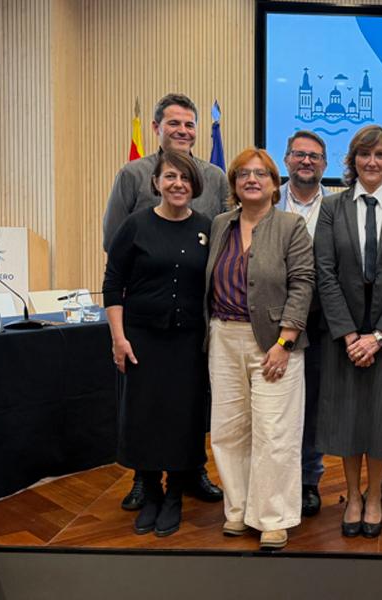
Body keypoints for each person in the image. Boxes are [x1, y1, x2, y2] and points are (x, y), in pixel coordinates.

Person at [103, 93, 226, 510]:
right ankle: (144, 477)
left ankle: (191, 471)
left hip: (193, 322)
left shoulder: (217, 177)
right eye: (174, 123)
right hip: (144, 317)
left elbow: (227, 242)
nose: (183, 131)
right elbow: (113, 248)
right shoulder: (132, 174)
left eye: (190, 125)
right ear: (157, 128)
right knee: (145, 404)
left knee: (190, 402)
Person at [314, 125, 382, 538]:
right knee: (346, 416)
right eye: (364, 155)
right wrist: (347, 335)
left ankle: (375, 496)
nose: (372, 162)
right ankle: (353, 495)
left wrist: (378, 336)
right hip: (342, 334)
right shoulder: (332, 207)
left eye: (380, 155)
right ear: (353, 160)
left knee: (379, 417)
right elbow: (324, 273)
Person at [205, 147, 314, 550]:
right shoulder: (220, 224)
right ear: (234, 184)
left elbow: (303, 283)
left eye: (261, 174)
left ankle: (272, 517)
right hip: (223, 336)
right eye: (244, 174)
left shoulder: (291, 226)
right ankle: (237, 510)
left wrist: (285, 341)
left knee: (274, 432)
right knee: (229, 430)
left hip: (274, 342)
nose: (252, 180)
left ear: (274, 183)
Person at [276, 130, 330, 518]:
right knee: (273, 404)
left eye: (313, 156)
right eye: (299, 154)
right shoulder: (266, 200)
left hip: (322, 321)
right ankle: (275, 480)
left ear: (325, 165)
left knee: (312, 403)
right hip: (272, 320)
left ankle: (309, 479)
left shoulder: (339, 206)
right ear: (286, 159)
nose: (306, 161)